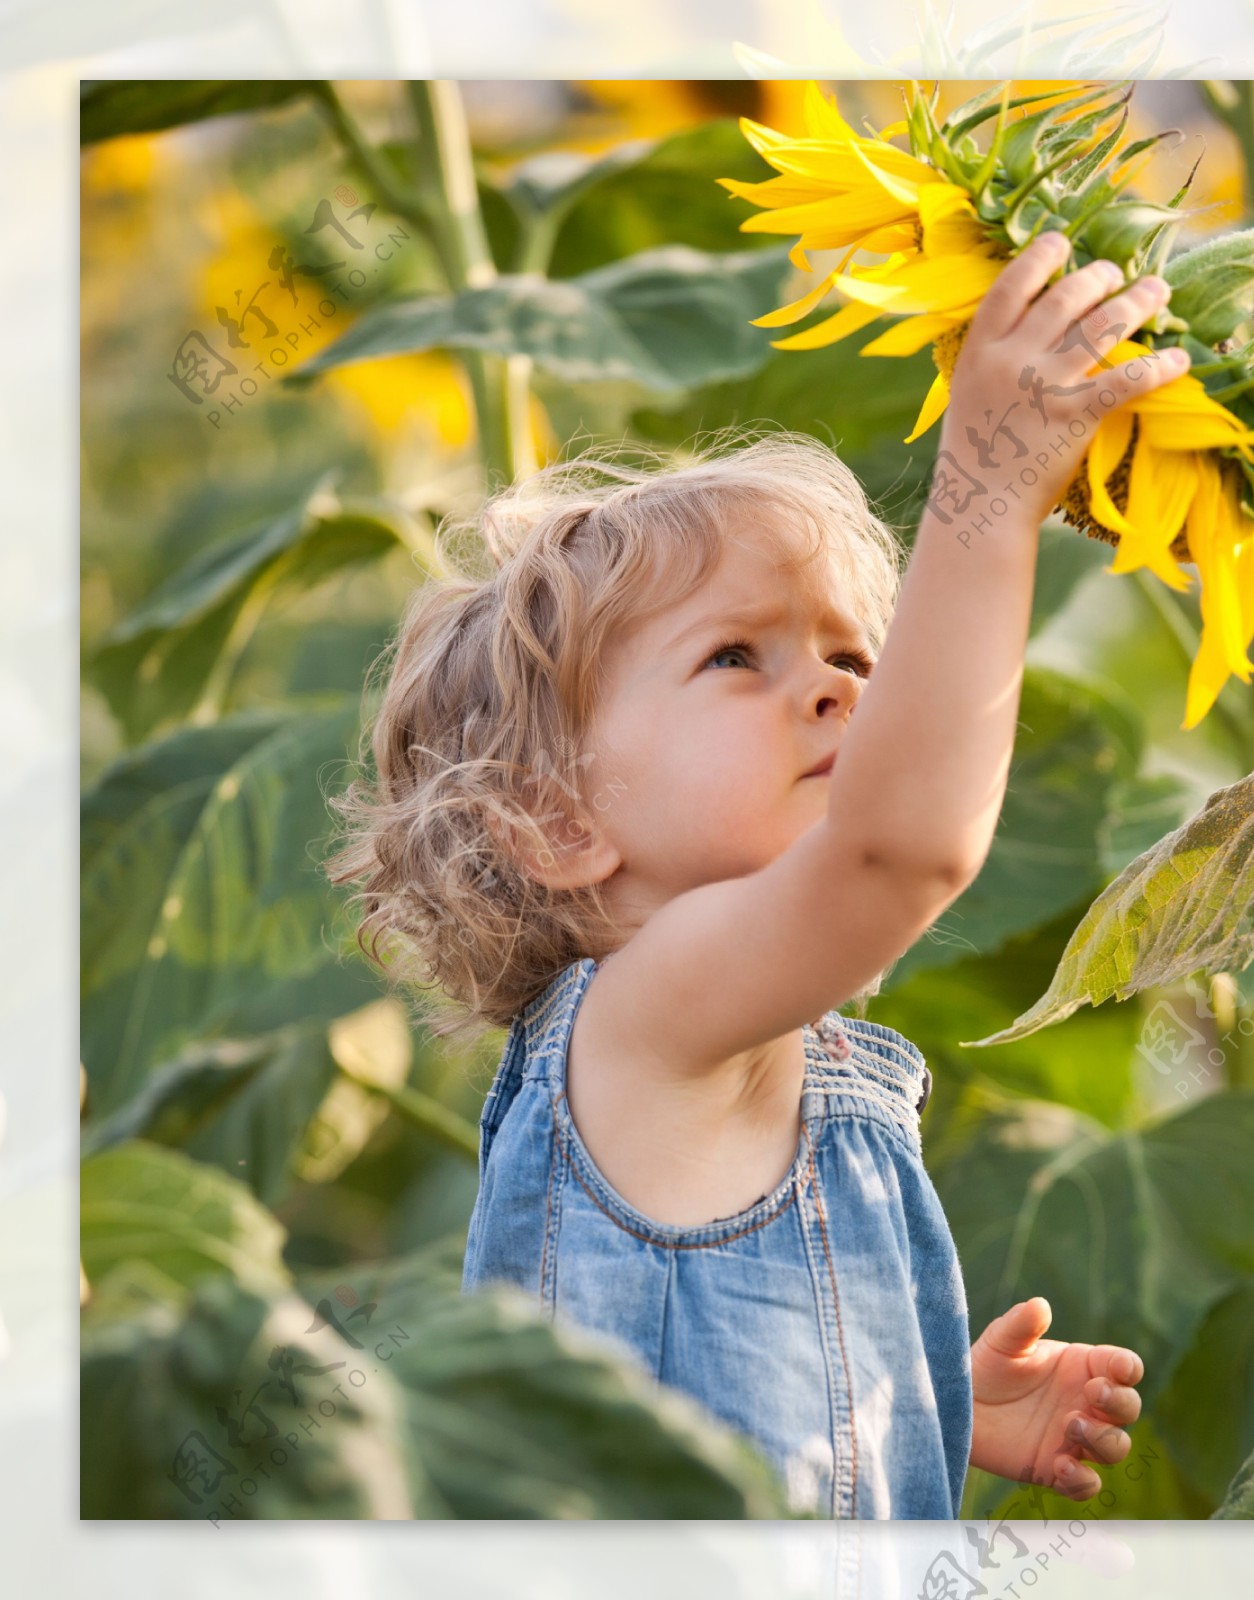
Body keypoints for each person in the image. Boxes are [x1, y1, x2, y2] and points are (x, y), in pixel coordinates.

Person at [328, 232, 1183, 1518]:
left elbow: (723, 1384)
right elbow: (903, 844)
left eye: (853, 653)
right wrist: (991, 484)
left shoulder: (750, 1052)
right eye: (739, 656)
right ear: (556, 820)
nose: (841, 685)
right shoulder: (645, 1014)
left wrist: (920, 1395)